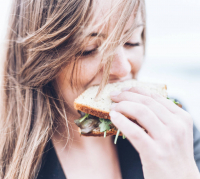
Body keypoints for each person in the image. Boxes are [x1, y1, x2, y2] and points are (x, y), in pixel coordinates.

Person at [0, 0, 200, 179]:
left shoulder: (175, 131)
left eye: (132, 41)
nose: (123, 69)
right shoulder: (7, 163)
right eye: (89, 49)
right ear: (39, 59)